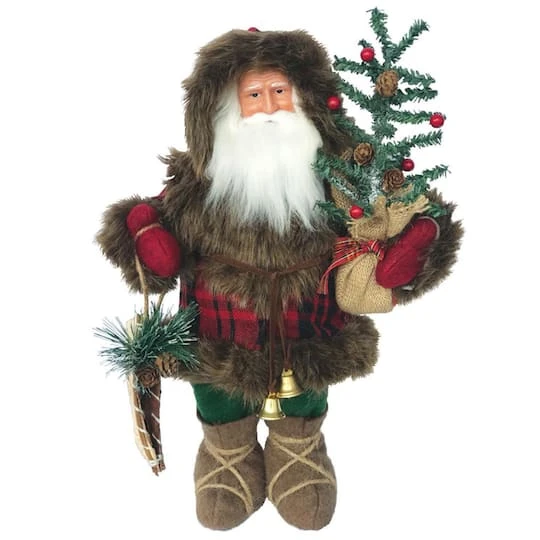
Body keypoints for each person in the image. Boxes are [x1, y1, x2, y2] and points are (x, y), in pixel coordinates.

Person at [96, 28, 462, 531]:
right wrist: (146, 235)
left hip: (307, 327)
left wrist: (414, 242)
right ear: (223, 109)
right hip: (219, 331)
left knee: (304, 397)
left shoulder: (337, 176)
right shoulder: (198, 183)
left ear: (306, 97)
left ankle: (297, 451)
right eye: (253, 95)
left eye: (279, 91)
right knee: (219, 399)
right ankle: (226, 455)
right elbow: (153, 226)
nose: (268, 107)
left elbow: (400, 207)